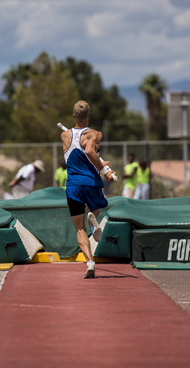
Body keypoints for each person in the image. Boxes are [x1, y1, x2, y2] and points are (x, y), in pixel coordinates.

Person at [61, 100, 116, 279]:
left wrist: (102, 164)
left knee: (79, 229)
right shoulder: (95, 134)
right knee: (96, 208)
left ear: (74, 116)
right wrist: (104, 169)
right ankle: (93, 217)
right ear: (89, 115)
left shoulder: (64, 136)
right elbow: (89, 153)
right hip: (91, 183)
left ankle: (90, 262)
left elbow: (81, 158)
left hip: (74, 186)